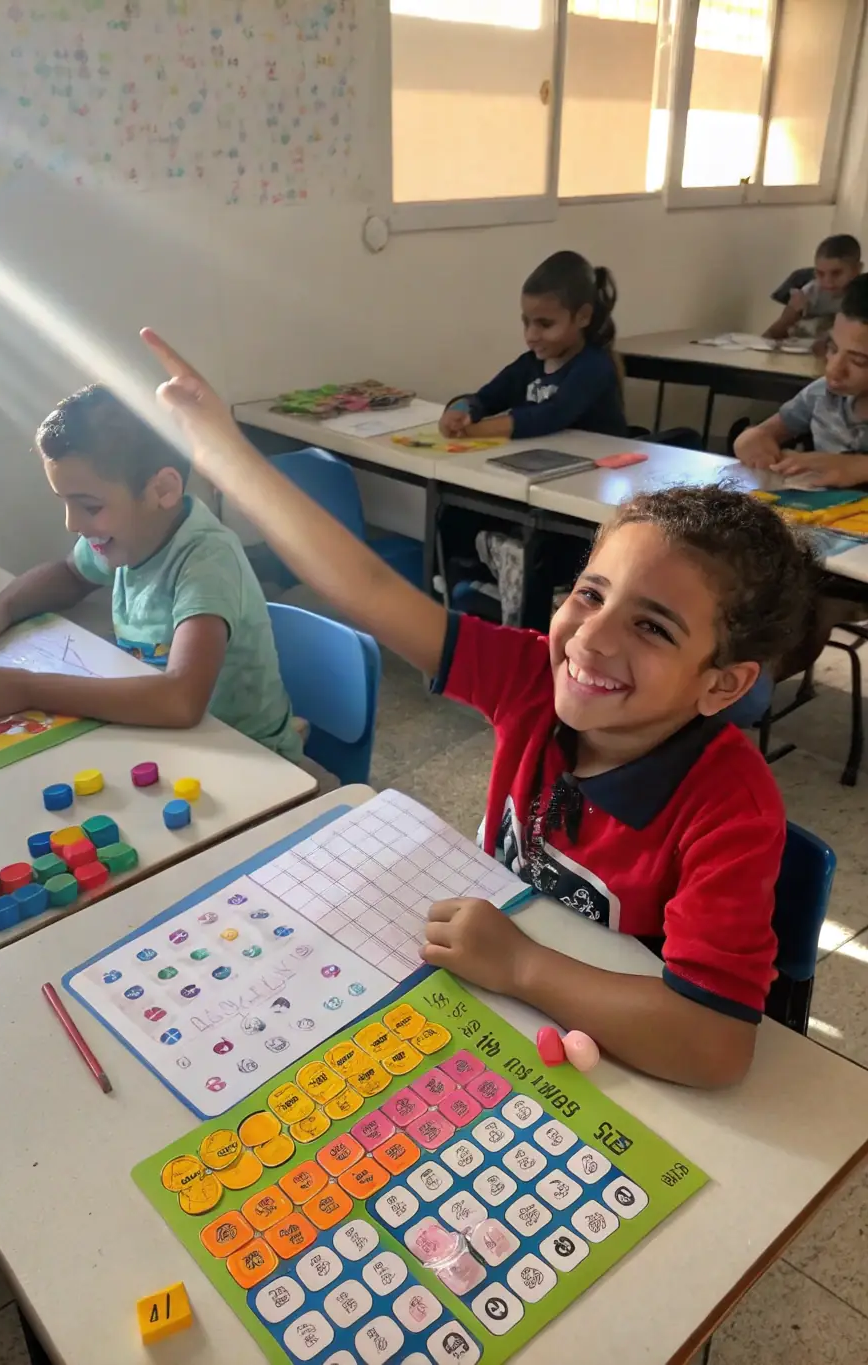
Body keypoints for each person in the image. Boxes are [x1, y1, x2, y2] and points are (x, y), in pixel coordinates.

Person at [141, 327, 819, 1090]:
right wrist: (226, 454)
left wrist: (521, 963)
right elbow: (367, 587)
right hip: (495, 1020)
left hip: (613, 1069)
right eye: (591, 593)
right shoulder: (533, 677)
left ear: (722, 685)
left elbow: (714, 1043)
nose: (588, 640)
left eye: (652, 626)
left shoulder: (728, 802)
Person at [0, 384, 301, 760]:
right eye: (65, 504)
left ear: (162, 489)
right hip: (174, 746)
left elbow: (181, 700)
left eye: (89, 507)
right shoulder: (129, 538)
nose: (72, 524)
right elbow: (68, 574)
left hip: (251, 760)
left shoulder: (206, 559)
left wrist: (29, 689)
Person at [439, 250, 628, 442]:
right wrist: (459, 411)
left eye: (545, 324)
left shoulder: (594, 366)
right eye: (526, 323)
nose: (531, 336)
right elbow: (485, 398)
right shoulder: (529, 364)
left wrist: (473, 431)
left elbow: (551, 415)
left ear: (583, 316)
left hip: (598, 464)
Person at [737, 272, 868, 488]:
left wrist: (857, 467)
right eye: (832, 349)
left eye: (859, 361)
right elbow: (763, 433)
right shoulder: (822, 394)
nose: (834, 369)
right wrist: (751, 440)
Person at [764, 234, 862, 347]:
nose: (828, 281)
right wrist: (791, 314)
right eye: (820, 274)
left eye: (836, 273)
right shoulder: (810, 292)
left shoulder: (863, 295)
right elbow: (771, 336)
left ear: (857, 269)